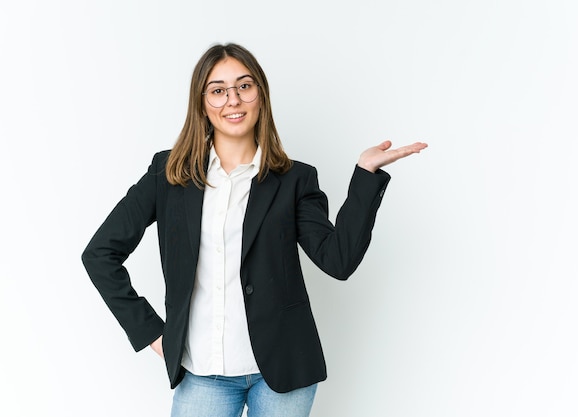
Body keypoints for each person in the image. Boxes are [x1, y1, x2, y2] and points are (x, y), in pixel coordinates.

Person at [81, 42, 427, 417]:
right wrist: (150, 332)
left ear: (260, 95)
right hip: (203, 373)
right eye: (218, 90)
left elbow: (338, 260)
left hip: (282, 372)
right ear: (202, 103)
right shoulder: (168, 174)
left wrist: (365, 176)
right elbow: (99, 254)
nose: (233, 100)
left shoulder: (295, 179)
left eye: (244, 86)